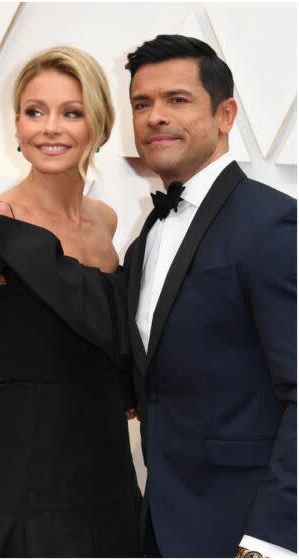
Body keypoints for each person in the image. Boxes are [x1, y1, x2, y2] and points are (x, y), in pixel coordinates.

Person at [122, 35, 296, 557]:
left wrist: (272, 540)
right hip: (161, 521)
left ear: (226, 116)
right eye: (141, 104)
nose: (155, 117)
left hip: (244, 529)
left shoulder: (271, 224)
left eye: (177, 100)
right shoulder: (144, 239)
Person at [0, 46, 140, 556]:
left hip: (105, 452)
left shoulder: (105, 219)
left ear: (99, 127)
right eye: (34, 111)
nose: (50, 128)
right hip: (24, 462)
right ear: (16, 126)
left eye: (71, 112)